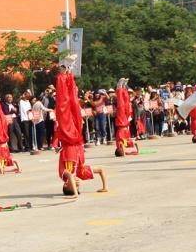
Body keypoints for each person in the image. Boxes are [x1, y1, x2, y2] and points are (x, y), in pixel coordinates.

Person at [55, 55, 108, 197]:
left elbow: (71, 177)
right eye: (78, 187)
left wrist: (75, 195)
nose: (77, 184)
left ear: (66, 184)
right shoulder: (81, 171)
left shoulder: (64, 174)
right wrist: (104, 187)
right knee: (73, 101)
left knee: (63, 106)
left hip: (67, 137)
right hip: (77, 138)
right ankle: (70, 70)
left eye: (74, 186)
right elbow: (101, 170)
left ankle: (63, 71)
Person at [0, 91, 20, 175]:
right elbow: (15, 161)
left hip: (0, 140)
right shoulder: (6, 160)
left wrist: (2, 170)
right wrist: (17, 169)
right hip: (4, 140)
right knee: (2, 119)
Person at [114, 78, 139, 157]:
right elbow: (133, 146)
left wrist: (124, 151)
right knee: (127, 105)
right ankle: (124, 88)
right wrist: (133, 144)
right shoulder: (126, 147)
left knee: (121, 105)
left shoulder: (119, 145)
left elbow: (121, 145)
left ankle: (119, 88)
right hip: (126, 125)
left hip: (121, 125)